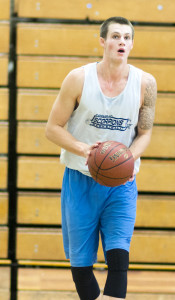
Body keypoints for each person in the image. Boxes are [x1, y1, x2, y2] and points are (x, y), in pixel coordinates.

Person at [45, 16, 157, 300]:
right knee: (81, 264)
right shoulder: (78, 79)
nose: (122, 42)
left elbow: (144, 133)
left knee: (119, 258)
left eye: (127, 37)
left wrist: (128, 157)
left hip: (121, 183)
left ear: (132, 44)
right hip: (80, 179)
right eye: (116, 36)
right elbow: (52, 129)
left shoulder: (146, 83)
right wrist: (83, 149)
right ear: (103, 42)